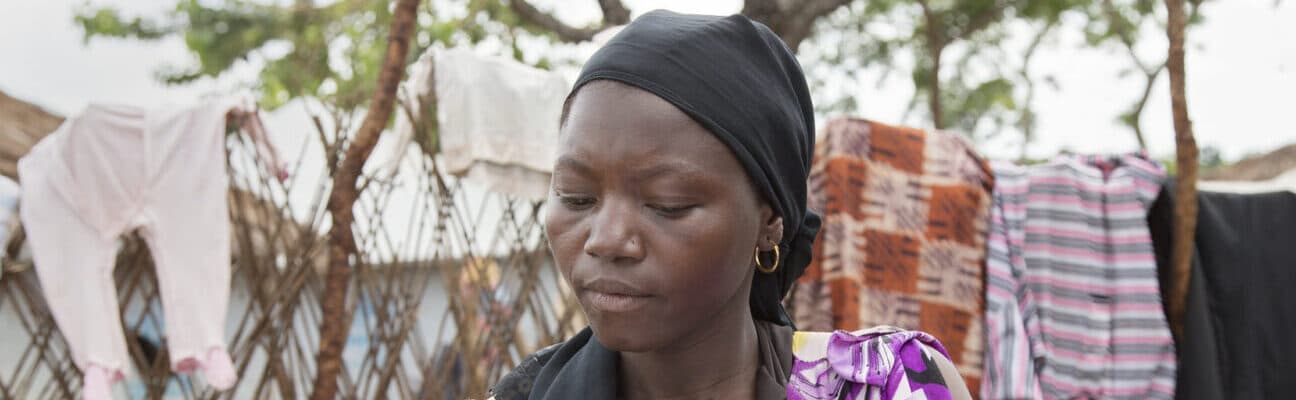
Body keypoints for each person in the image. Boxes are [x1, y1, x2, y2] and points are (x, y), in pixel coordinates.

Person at [491, 10, 969, 399]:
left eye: (667, 203)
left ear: (770, 221)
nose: (607, 240)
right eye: (576, 197)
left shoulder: (890, 384)